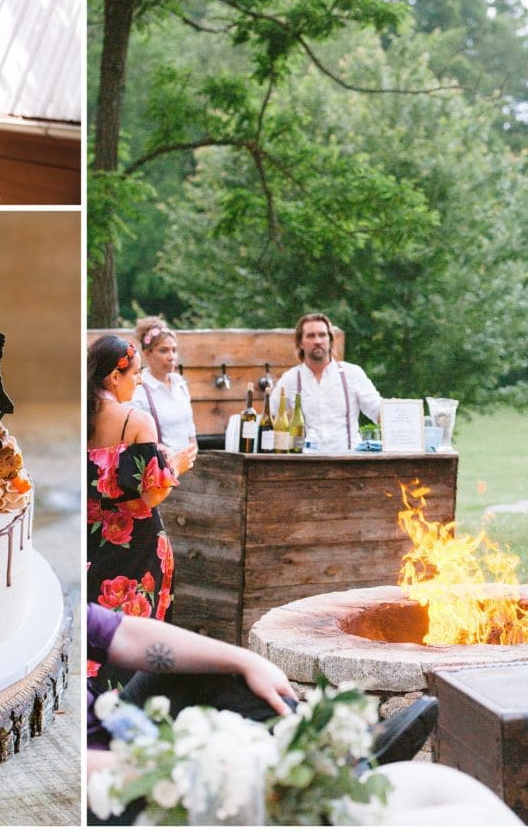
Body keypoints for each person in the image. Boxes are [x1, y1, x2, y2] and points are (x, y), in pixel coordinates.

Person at [87, 603, 442, 824]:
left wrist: (245, 660)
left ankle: (337, 754)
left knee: (209, 667)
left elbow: (125, 634)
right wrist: (185, 768)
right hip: (95, 789)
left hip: (115, 726)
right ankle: (303, 786)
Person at [87, 335, 194, 690]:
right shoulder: (135, 420)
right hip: (137, 549)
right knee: (135, 636)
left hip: (91, 546)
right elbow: (149, 497)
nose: (137, 381)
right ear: (113, 377)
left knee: (96, 633)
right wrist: (174, 465)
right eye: (134, 374)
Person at [272, 313, 382, 453]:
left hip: (349, 462)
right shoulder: (290, 379)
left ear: (330, 340)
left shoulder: (352, 373)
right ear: (300, 343)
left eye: (322, 335)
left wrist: (404, 422)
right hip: (305, 464)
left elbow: (378, 410)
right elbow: (270, 415)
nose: (317, 341)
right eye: (311, 336)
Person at [130, 317, 198, 460]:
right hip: (161, 468)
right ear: (147, 353)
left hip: (189, 464)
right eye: (164, 351)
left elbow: (190, 428)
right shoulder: (139, 390)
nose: (171, 357)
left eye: (174, 350)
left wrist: (193, 454)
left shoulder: (180, 384)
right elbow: (136, 437)